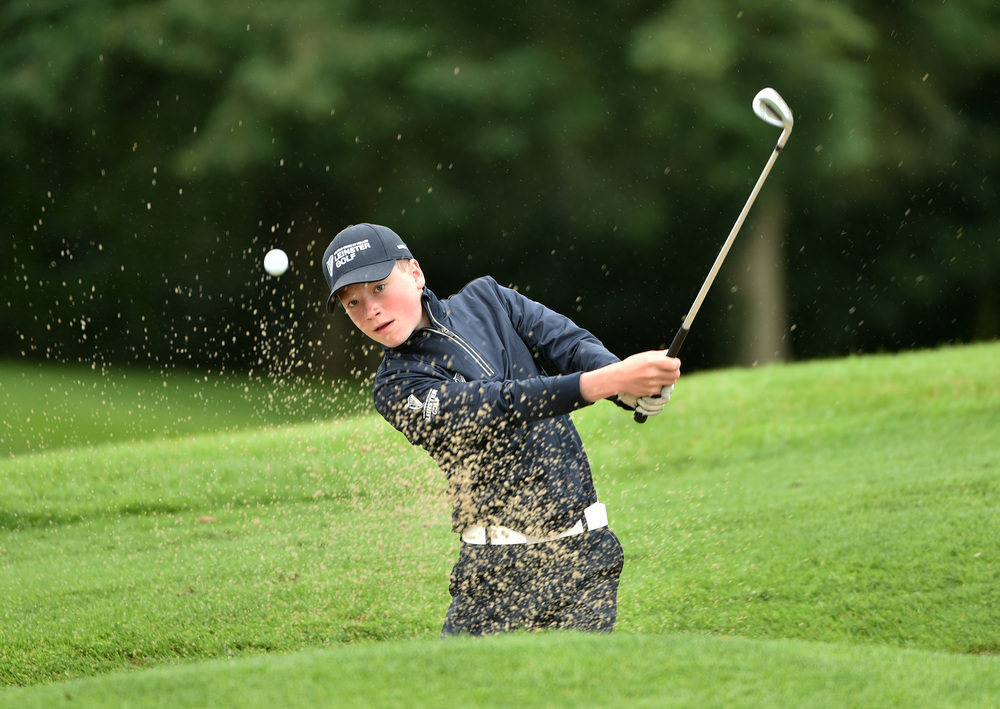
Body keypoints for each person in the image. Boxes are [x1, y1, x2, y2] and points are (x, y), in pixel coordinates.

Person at [321, 223, 681, 636]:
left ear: (415, 273)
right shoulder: (397, 386)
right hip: (493, 577)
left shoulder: (488, 299)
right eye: (353, 303)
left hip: (585, 557)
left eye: (378, 288)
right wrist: (614, 381)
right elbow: (498, 404)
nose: (370, 310)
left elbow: (569, 346)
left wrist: (632, 391)